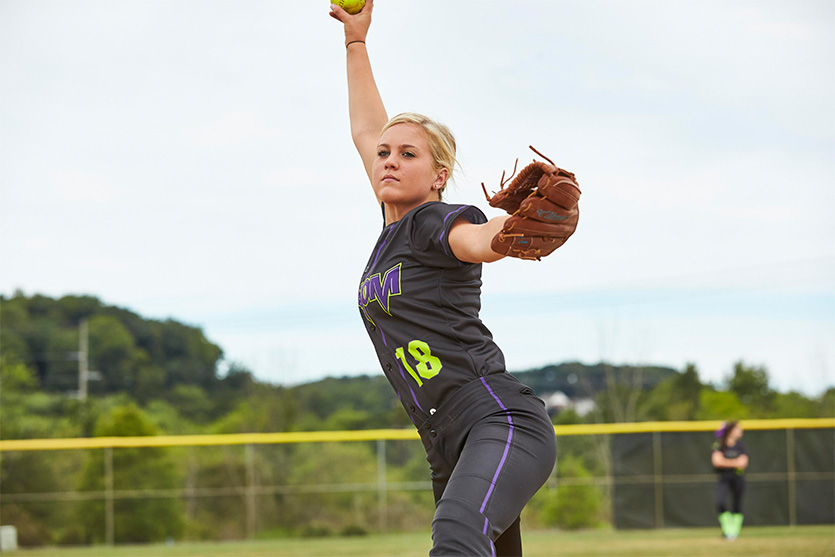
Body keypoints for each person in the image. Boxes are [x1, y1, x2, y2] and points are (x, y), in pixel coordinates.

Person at [330, 2, 571, 555]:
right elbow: (367, 128)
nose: (388, 159)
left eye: (407, 154)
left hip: (496, 420)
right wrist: (355, 43)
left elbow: (477, 240)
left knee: (457, 539)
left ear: (439, 176)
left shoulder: (435, 220)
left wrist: (503, 232)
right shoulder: (394, 235)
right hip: (447, 444)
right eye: (384, 154)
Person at [711, 420, 748, 540]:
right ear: (731, 431)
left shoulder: (740, 446)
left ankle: (734, 532)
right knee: (721, 502)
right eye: (738, 429)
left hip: (738, 478)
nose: (740, 432)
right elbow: (717, 461)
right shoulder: (719, 445)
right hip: (724, 478)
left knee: (737, 505)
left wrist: (726, 462)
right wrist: (734, 462)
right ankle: (727, 530)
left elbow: (743, 462)